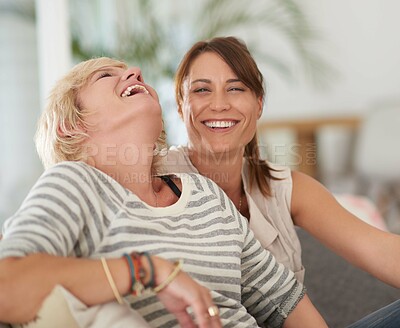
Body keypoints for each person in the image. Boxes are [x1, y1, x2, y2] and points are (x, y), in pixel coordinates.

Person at [0, 57, 327, 328]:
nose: (135, 72)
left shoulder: (203, 192)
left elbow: (283, 300)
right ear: (69, 126)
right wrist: (147, 270)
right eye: (105, 74)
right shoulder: (73, 183)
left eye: (130, 69)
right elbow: (7, 287)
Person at [162, 36, 400, 326]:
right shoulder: (156, 176)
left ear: (258, 104)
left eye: (235, 88)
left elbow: (380, 250)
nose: (219, 104)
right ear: (180, 106)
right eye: (201, 90)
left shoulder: (285, 187)